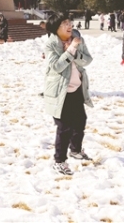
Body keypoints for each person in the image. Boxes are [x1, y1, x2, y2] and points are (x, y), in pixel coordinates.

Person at [43, 13, 94, 176]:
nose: (69, 25)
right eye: (64, 23)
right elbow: (57, 67)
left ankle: (75, 150)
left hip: (76, 88)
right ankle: (59, 161)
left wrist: (75, 52)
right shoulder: (51, 44)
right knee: (64, 128)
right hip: (59, 91)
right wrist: (71, 50)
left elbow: (88, 60)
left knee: (80, 121)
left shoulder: (77, 39)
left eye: (69, 22)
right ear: (56, 28)